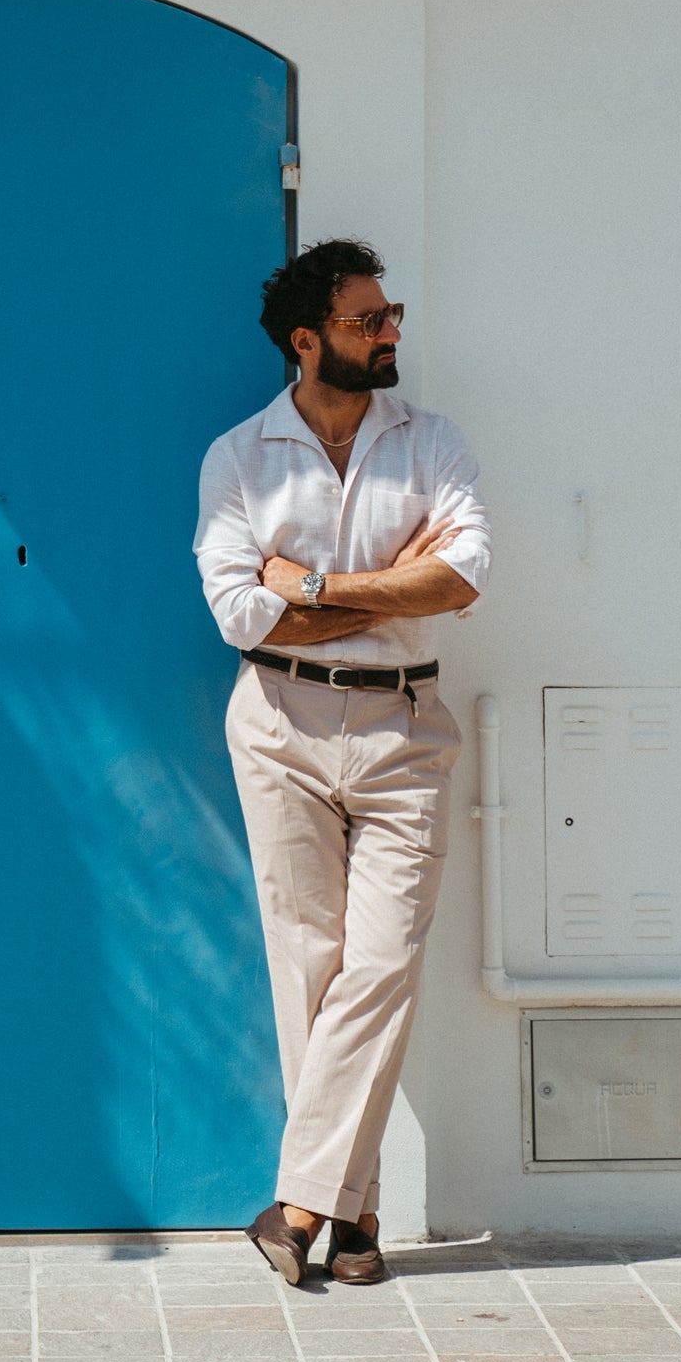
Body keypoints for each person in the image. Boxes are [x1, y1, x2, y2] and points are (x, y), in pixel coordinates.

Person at [194, 238, 491, 1286]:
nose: (390, 331)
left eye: (390, 313)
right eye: (369, 320)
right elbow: (239, 612)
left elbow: (458, 579)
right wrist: (382, 585)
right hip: (276, 724)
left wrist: (314, 588)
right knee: (307, 966)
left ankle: (297, 1205)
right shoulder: (237, 458)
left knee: (378, 964)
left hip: (404, 729)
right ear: (306, 339)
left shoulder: (431, 441)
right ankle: (353, 1217)